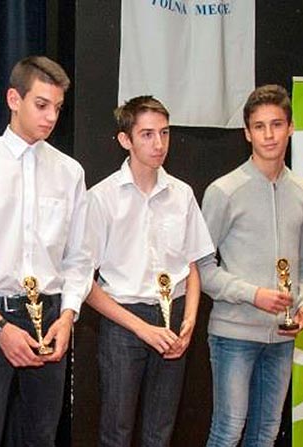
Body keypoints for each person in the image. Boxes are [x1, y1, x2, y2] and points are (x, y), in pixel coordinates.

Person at [0, 55, 91, 446]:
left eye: (57, 108)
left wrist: (68, 316)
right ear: (14, 99)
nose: (51, 117)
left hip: (51, 315)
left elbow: (79, 257)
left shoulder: (70, 172)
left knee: (42, 435)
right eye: (41, 105)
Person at [84, 95, 215, 446]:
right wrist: (141, 327)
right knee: (117, 431)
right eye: (147, 134)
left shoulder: (182, 193)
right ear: (125, 139)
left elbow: (192, 264)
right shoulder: (101, 197)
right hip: (123, 321)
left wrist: (189, 321)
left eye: (165, 133)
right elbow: (85, 283)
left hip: (173, 317)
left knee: (161, 430)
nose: (159, 144)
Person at [199, 84, 303, 447]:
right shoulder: (224, 191)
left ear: (291, 127)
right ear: (247, 133)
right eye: (259, 126)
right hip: (234, 334)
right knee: (228, 432)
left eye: (276, 124)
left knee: (266, 435)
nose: (269, 135)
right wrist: (252, 294)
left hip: (283, 337)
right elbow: (202, 269)